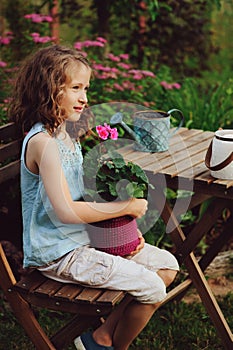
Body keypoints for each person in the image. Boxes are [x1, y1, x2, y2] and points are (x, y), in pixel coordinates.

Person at [9, 44, 179, 350]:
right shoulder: (43, 144)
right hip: (59, 253)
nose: (85, 98)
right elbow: (65, 212)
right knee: (152, 286)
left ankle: (101, 338)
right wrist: (125, 206)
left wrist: (123, 233)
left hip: (85, 241)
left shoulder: (64, 134)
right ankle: (115, 347)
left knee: (166, 266)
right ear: (48, 89)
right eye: (75, 88)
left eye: (86, 88)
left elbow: (83, 197)